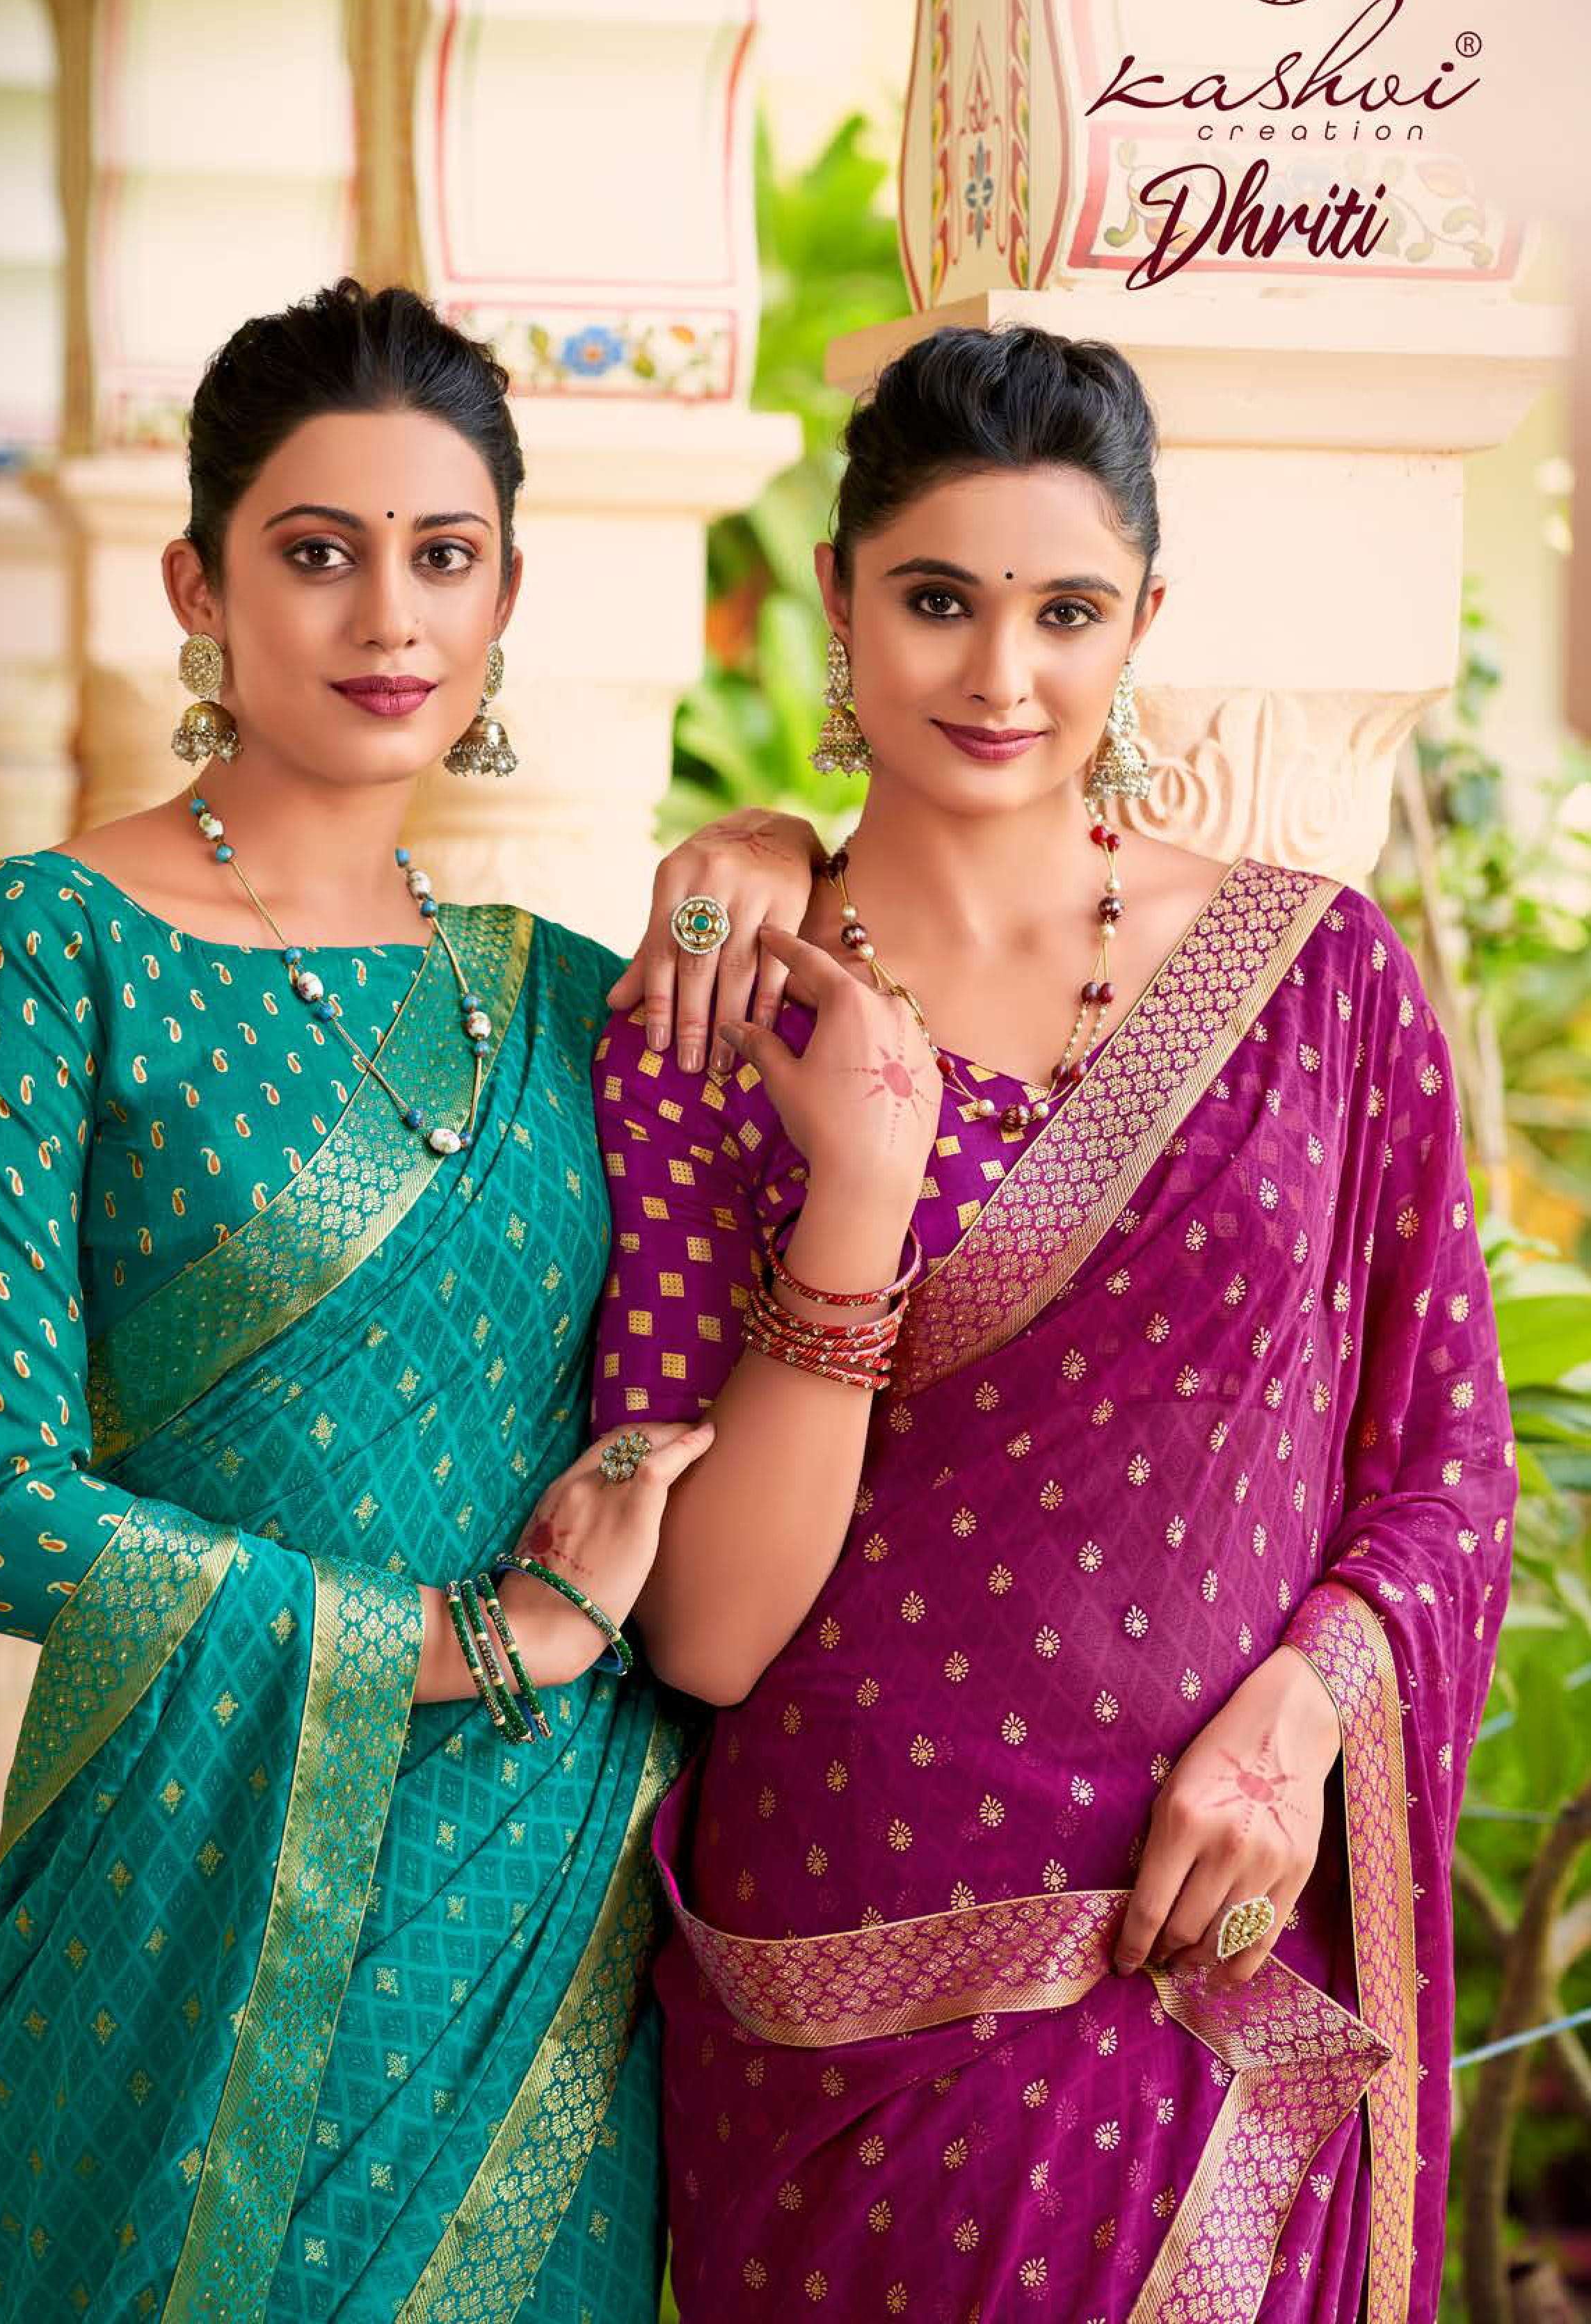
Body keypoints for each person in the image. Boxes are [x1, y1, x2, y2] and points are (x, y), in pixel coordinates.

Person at [0, 278, 822, 2320]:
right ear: (197, 589)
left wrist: (778, 849)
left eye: (443, 556)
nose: (389, 617)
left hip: (539, 1927)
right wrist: (477, 1638)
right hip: (182, 1909)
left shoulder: (562, 1000)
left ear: (506, 600)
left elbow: (881, 1151)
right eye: (318, 554)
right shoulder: (48, 946)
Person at [590, 321, 1515, 2322]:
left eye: (1064, 612)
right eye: (936, 599)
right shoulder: (713, 1018)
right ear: (838, 599)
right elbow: (707, 1635)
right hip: (850, 1976)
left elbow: (1445, 1469)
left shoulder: (1317, 982)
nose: (999, 676)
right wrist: (857, 1196)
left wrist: (1302, 1710)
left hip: (1215, 1943)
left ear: (1143, 621)